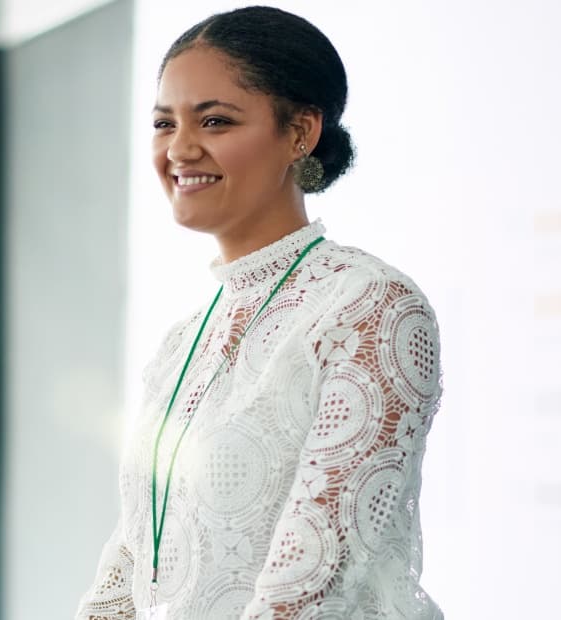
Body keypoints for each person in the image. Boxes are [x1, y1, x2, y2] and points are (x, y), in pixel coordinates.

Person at [74, 6, 444, 620]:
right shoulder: (183, 340)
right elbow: (135, 554)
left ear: (300, 133)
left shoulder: (369, 306)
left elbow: (314, 578)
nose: (179, 148)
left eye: (215, 121)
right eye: (164, 123)